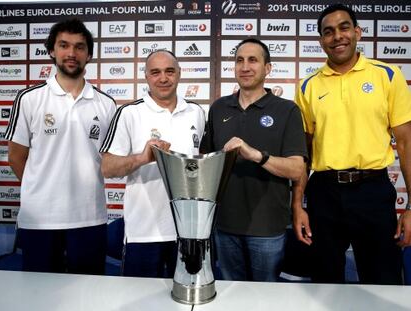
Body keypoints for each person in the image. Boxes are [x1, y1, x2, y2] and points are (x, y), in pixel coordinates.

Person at [293, 3, 411, 284]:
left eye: (344, 27)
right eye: (328, 32)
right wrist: (297, 206)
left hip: (373, 191)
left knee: (383, 281)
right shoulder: (308, 86)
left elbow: (406, 144)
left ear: (357, 32)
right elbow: (303, 155)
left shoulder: (388, 75)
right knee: (324, 281)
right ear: (321, 40)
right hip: (324, 193)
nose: (337, 37)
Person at [4, 18, 116, 274]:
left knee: (88, 293)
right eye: (64, 45)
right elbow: (15, 157)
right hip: (39, 220)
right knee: (39, 296)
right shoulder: (29, 98)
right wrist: (41, 188)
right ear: (52, 51)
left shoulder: (106, 104)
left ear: (88, 55)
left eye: (79, 47)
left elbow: (110, 160)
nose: (71, 53)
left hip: (89, 217)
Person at [201, 38, 307, 282]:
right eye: (239, 60)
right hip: (224, 226)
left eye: (253, 60)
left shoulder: (287, 110)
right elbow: (207, 161)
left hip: (268, 228)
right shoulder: (218, 108)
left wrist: (256, 155)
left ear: (267, 68)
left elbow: (296, 169)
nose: (245, 66)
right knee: (231, 295)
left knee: (266, 298)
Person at [100, 50, 206, 278]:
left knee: (183, 300)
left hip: (187, 231)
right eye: (155, 72)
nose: (163, 78)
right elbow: (107, 167)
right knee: (140, 301)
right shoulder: (129, 113)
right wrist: (142, 158)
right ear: (146, 76)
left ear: (179, 74)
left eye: (169, 71)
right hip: (144, 233)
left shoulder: (196, 112)